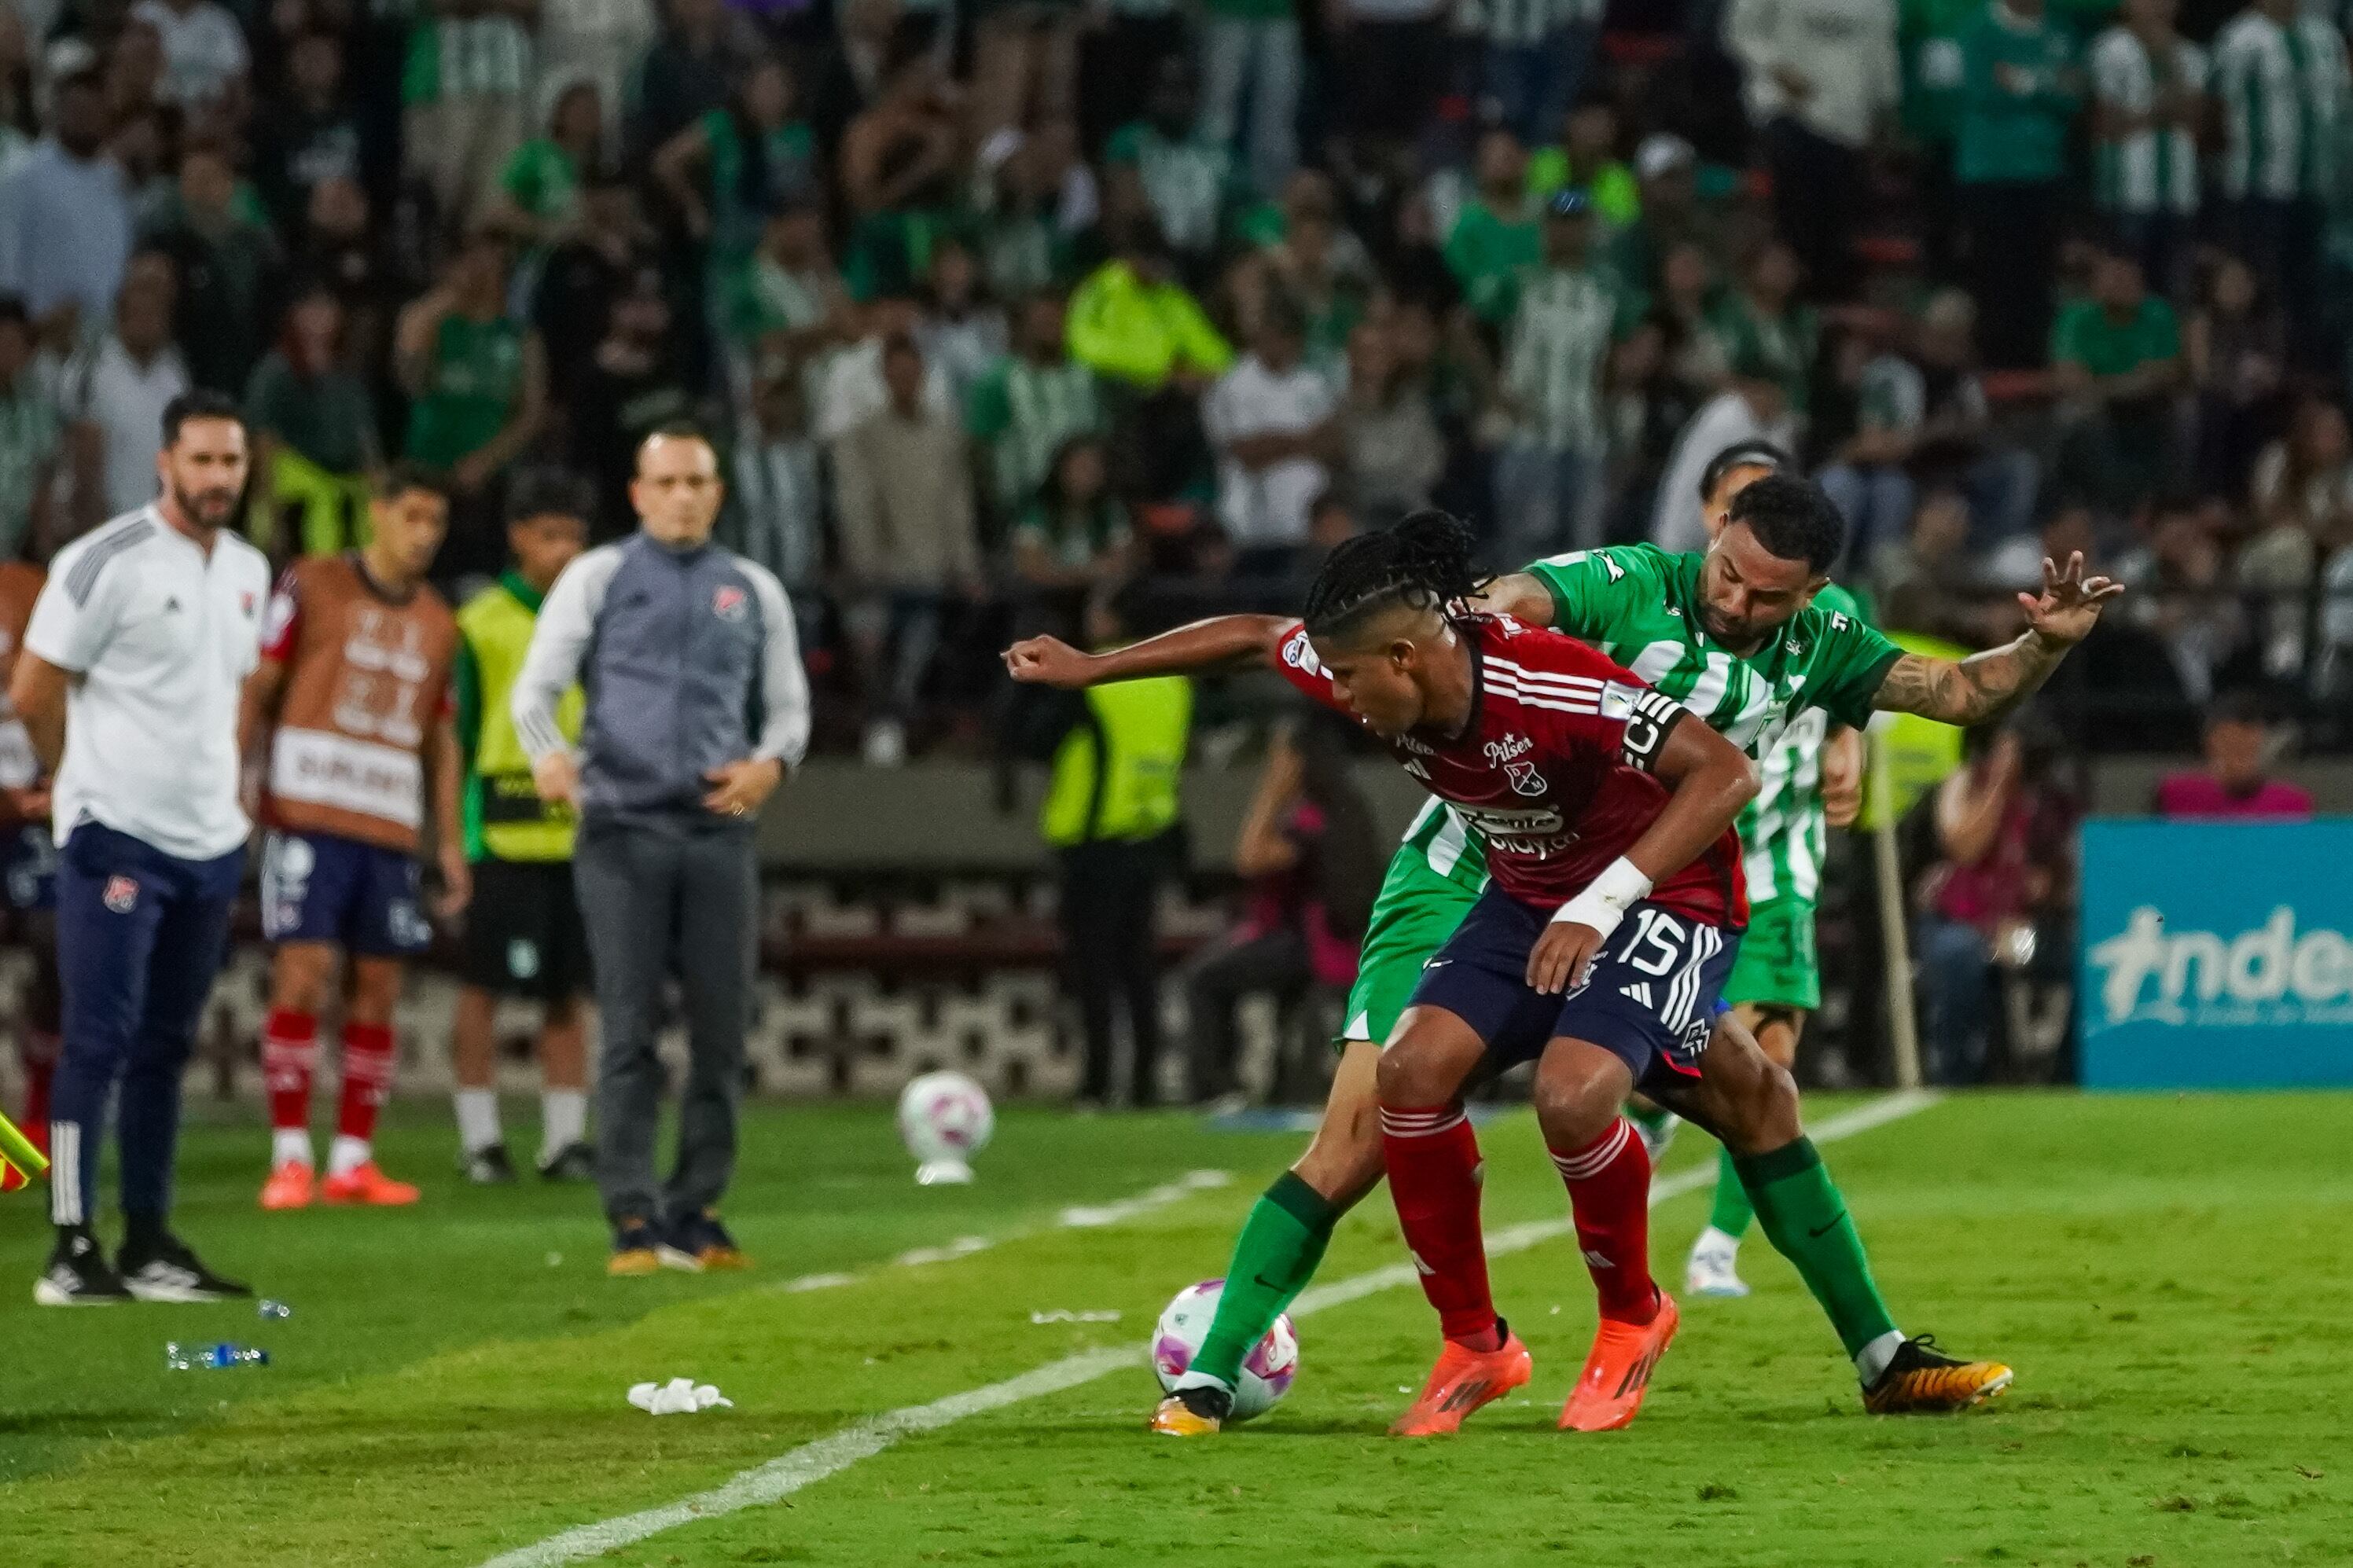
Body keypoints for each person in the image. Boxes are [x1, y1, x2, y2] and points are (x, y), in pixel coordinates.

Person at [1094, 474, 2120, 1437]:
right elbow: (1516, 598)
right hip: (1472, 870)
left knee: (1741, 1095)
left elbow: (1954, 689)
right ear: (1710, 532)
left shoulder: (1820, 646)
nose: (1735, 601)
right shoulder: (1625, 584)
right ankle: (1220, 1370)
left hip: (1640, 889)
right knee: (1373, 1119)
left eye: (1767, 595)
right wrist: (1449, 614)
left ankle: (1875, 1355)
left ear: (1810, 592)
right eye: (1726, 570)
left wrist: (2043, 648)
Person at [1010, 512, 1763, 1436]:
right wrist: (1093, 665)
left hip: (1660, 894)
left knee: (1572, 1097)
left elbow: (1724, 773)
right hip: (1525, 892)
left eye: (1355, 682)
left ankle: (1631, 1318)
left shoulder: (1553, 683)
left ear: (1405, 659)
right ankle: (1477, 1344)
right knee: (1407, 1075)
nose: (1344, 702)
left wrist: (1598, 904)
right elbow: (1252, 636)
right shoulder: (1364, 662)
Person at [512, 425, 809, 1276]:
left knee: (721, 1029)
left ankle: (699, 1206)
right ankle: (633, 1212)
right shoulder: (598, 576)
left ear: (717, 493)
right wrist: (549, 756)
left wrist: (770, 765)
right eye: (667, 481)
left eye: (697, 481)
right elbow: (537, 687)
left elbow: (789, 707)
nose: (683, 495)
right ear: (639, 494)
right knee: (629, 1027)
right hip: (621, 832)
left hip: (719, 833)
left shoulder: (752, 589)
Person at [9, 388, 270, 1304]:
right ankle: (72, 1246)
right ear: (164, 462)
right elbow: (34, 687)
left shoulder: (247, 569)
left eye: (230, 462)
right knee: (98, 1039)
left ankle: (151, 1241)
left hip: (208, 841)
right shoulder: (104, 559)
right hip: (115, 834)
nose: (216, 478)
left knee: (166, 1045)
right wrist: (70, 786)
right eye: (200, 461)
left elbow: (233, 690)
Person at [244, 468, 466, 1211]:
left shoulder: (440, 620)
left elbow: (441, 736)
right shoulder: (310, 583)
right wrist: (237, 778)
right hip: (308, 811)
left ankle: (352, 1160)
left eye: (436, 521)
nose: (425, 535)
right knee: (302, 974)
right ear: (377, 515)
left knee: (377, 988)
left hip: (389, 827)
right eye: (412, 517)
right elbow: (260, 686)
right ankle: (288, 1157)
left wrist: (450, 842)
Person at [450, 472, 597, 1182]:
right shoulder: (479, 623)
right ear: (517, 538)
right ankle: (481, 1138)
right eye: (550, 536)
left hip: (576, 838)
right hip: (502, 834)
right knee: (482, 988)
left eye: (573, 537)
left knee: (567, 992)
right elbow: (458, 737)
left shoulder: (600, 620)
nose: (564, 551)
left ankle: (563, 1140)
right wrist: (457, 839)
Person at [1024, 589, 1191, 1107]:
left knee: (1094, 969)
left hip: (1094, 842)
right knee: (1139, 967)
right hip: (1151, 836)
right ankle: (1144, 1083)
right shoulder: (1174, 686)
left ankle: (1096, 1083)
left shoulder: (1095, 682)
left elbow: (1037, 738)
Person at [1182, 718, 1377, 1105]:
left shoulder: (1310, 818)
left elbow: (1250, 859)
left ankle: (1217, 1085)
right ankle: (1269, 1084)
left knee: (1202, 979)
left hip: (1309, 947)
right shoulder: (1345, 809)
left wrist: (1270, 792)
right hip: (1325, 945)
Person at [1726, 0, 1899, 303]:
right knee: (1798, 227)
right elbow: (1741, 29)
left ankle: (1827, 310)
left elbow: (1882, 49)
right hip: (1791, 112)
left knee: (1837, 233)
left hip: (1849, 124)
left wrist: (1884, 108)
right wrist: (1777, 68)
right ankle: (1792, 305)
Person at [2212, 0, 2347, 365]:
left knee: (2309, 287)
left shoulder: (2324, 37)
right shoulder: (2240, 39)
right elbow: (2216, 109)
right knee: (2257, 285)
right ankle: (2256, 365)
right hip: (2259, 186)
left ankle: (2305, 368)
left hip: (2317, 185)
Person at [1953, 0, 2079, 369]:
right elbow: (1984, 93)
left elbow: (2072, 99)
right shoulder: (1978, 30)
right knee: (1995, 273)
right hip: (1991, 173)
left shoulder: (2061, 30)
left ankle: (2034, 362)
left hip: (2044, 172)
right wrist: (2046, 84)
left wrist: (2022, 83)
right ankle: (1995, 363)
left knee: (2039, 274)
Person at [1496, 189, 1618, 560]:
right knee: (1525, 546)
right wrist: (1493, 391)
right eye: (1559, 224)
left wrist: (1611, 392)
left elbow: (1633, 344)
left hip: (1587, 432)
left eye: (1575, 224)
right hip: (1530, 429)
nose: (1566, 233)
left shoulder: (1606, 287)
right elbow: (1466, 324)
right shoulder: (1522, 281)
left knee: (1585, 549)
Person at [0, 548, 59, 1162]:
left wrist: (57, 775)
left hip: (31, 806)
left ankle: (41, 1108)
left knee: (59, 936)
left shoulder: (36, 588)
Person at [2090, 0, 2205, 299]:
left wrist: (2169, 64)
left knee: (2176, 292)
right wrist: (2166, 111)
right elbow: (2107, 123)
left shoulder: (2191, 55)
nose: (2157, 8)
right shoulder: (2108, 51)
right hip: (2126, 194)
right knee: (2125, 290)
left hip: (2180, 195)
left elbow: (2198, 121)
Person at [2153, 689, 2311, 818]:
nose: (2240, 758)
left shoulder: (2292, 804)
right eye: (2231, 746)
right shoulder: (2176, 793)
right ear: (2211, 744)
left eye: (2250, 749)